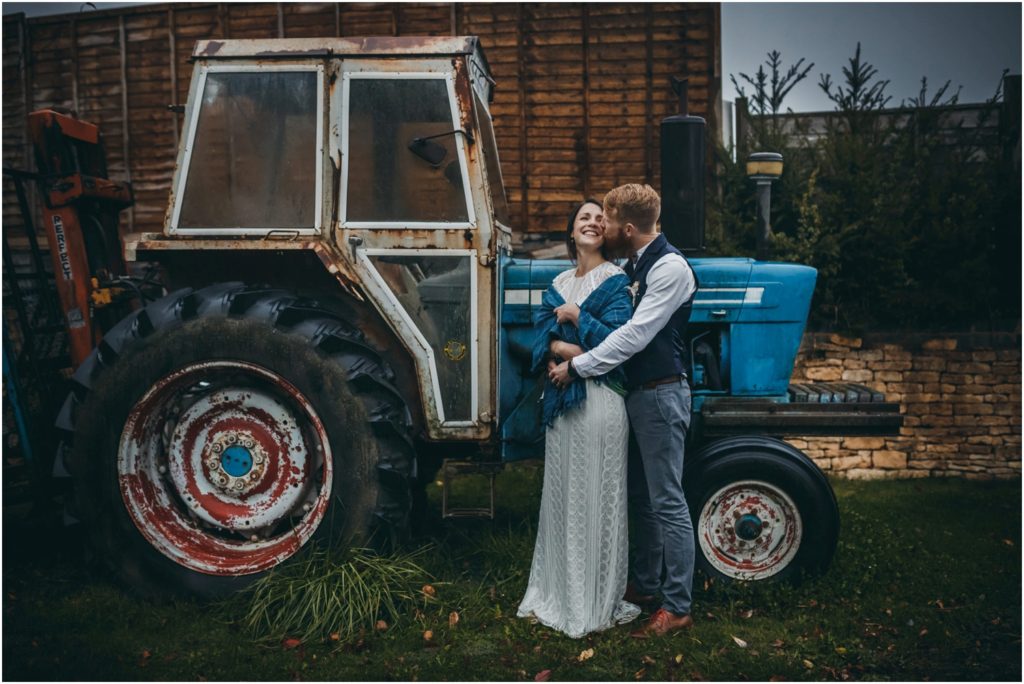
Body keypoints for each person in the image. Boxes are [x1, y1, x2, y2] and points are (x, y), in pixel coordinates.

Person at [549, 184, 699, 638]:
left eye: (608, 220)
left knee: (668, 500)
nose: (602, 226)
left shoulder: (670, 268)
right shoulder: (634, 265)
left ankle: (677, 606)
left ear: (627, 228)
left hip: (660, 392)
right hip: (634, 394)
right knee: (642, 498)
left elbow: (635, 336)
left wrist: (578, 366)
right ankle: (648, 585)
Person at [516, 199, 641, 638]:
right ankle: (561, 591)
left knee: (595, 497)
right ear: (571, 232)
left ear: (607, 233)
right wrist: (562, 348)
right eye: (584, 217)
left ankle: (593, 600)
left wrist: (575, 324)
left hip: (598, 402)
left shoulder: (616, 282)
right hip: (560, 402)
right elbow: (539, 342)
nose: (592, 222)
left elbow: (621, 344)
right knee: (564, 497)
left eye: (599, 218)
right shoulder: (559, 282)